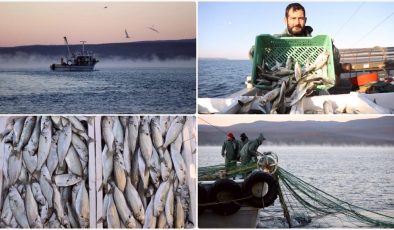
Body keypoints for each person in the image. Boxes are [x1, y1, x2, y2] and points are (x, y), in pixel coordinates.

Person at [249, 3, 342, 85]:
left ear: (305, 20)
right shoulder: (275, 41)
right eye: (293, 18)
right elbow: (252, 53)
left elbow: (335, 59)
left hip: (310, 87)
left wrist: (336, 71)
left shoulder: (318, 44)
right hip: (281, 86)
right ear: (286, 20)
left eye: (300, 18)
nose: (297, 23)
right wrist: (257, 48)